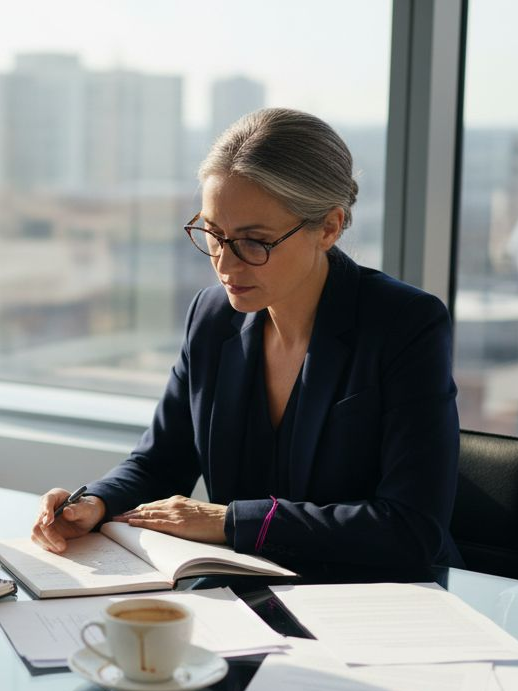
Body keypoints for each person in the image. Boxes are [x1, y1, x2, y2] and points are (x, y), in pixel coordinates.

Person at [32, 108, 462, 575]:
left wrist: (229, 521)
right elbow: (159, 461)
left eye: (255, 241)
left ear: (330, 227)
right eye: (214, 235)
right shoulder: (211, 317)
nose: (226, 265)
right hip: (247, 594)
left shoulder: (404, 324)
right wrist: (93, 502)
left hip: (381, 606)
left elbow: (411, 529)